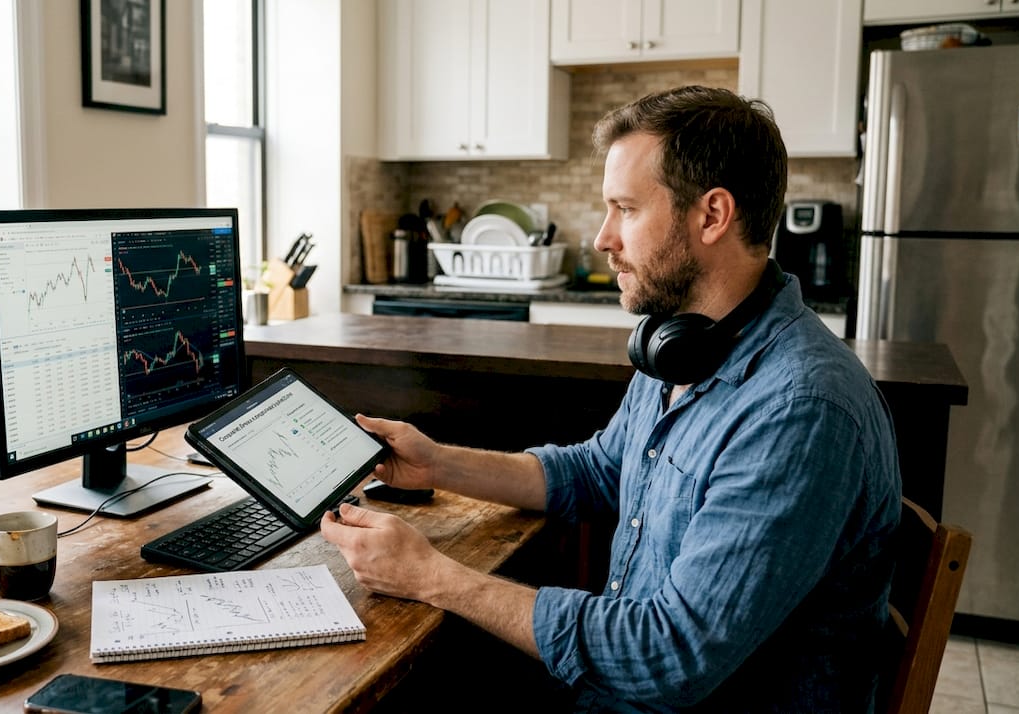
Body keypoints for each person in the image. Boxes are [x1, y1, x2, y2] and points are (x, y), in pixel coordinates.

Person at [320, 85, 901, 712]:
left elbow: (669, 656)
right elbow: (602, 469)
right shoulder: (684, 343)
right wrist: (441, 465)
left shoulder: (800, 410)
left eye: (624, 208)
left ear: (712, 215)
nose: (601, 238)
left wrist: (432, 576)